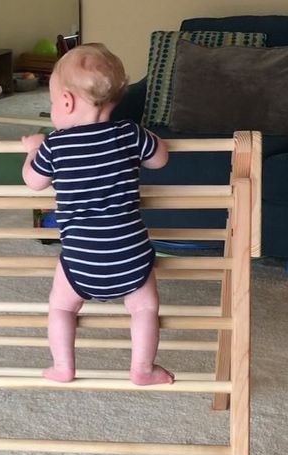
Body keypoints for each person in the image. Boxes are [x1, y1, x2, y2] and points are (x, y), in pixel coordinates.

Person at [21, 43, 173, 386]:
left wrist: (33, 150)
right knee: (145, 309)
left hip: (81, 258)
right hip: (129, 254)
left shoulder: (54, 146)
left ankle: (63, 366)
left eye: (51, 102)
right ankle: (143, 369)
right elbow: (160, 158)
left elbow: (33, 182)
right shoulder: (128, 134)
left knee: (61, 308)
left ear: (66, 102)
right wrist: (145, 136)